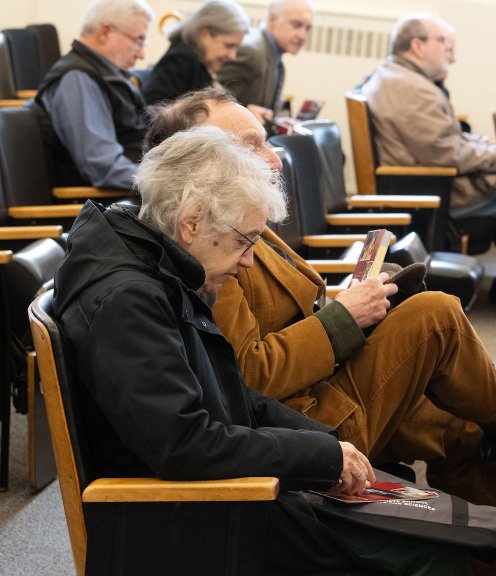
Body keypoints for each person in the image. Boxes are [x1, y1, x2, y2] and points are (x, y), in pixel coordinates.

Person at [144, 88, 496, 575]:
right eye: (250, 145)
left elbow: (288, 317)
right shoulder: (211, 243)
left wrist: (353, 302)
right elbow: (246, 376)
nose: (273, 159)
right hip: (307, 424)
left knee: (452, 424)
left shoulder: (237, 212)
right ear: (199, 163)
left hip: (320, 386)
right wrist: (343, 319)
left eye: (265, 142)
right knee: (436, 314)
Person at [50, 126, 471, 573]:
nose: (249, 260)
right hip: (198, 522)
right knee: (436, 549)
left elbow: (227, 389)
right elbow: (185, 445)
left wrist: (326, 446)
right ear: (191, 221)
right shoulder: (128, 300)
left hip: (225, 496)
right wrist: (318, 458)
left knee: (434, 517)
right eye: (243, 241)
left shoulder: (152, 262)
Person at [361, 14, 496, 323]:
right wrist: (493, 156)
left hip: (435, 184)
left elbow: (445, 139)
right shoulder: (410, 87)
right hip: (436, 193)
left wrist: (486, 148)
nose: (452, 55)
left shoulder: (401, 77)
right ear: (418, 46)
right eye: (445, 44)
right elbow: (443, 151)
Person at [33, 0, 153, 189]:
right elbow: (103, 166)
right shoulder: (78, 80)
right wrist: (164, 185)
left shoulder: (103, 73)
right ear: (105, 32)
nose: (141, 54)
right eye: (137, 40)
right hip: (102, 208)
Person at [217, 0, 315, 122]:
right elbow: (212, 101)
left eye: (307, 28)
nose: (302, 35)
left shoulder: (274, 55)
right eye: (296, 25)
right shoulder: (251, 52)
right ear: (272, 19)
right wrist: (246, 112)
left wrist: (278, 121)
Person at [142, 0, 249, 106]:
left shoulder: (199, 59)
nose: (233, 56)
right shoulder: (181, 60)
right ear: (204, 34)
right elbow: (154, 107)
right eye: (228, 46)